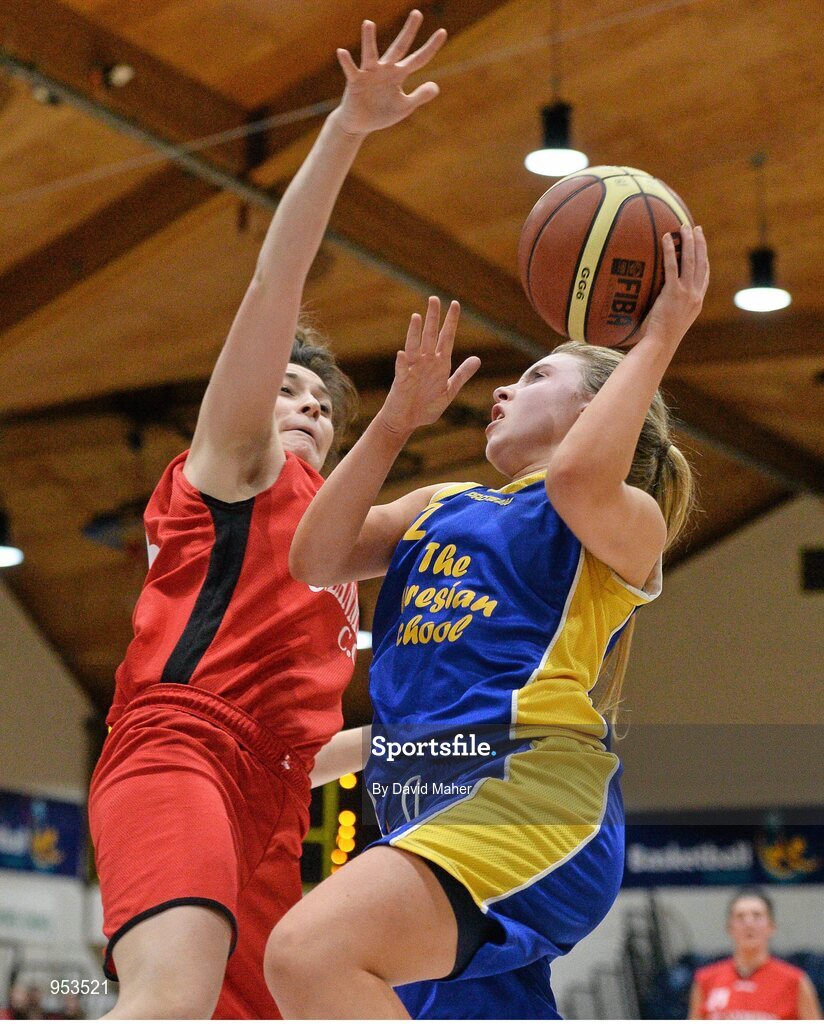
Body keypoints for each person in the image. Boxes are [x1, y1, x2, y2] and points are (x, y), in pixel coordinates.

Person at [87, 10, 448, 1019]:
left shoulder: (335, 545)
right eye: (292, 387)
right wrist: (344, 132)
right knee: (168, 999)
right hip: (181, 752)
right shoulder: (236, 463)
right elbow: (273, 280)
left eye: (325, 402)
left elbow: (314, 739)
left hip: (274, 804)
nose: (310, 405)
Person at [266, 224, 709, 1019]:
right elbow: (315, 557)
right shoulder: (444, 504)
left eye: (537, 375)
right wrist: (396, 420)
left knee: (309, 953)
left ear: (598, 406)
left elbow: (577, 473)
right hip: (420, 801)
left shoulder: (620, 518)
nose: (502, 390)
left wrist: (664, 330)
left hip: (528, 797)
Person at [689, 887, 822, 1020]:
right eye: (740, 917)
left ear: (772, 926)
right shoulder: (705, 980)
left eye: (757, 916)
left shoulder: (795, 982)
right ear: (729, 927)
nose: (749, 924)